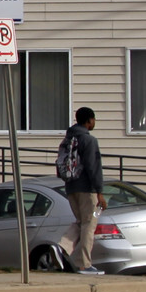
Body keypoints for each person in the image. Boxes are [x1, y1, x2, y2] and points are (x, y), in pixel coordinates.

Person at [60, 107, 107, 276]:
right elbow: (93, 167)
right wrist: (99, 192)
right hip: (88, 190)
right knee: (89, 224)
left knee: (81, 221)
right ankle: (84, 264)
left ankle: (62, 247)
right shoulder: (89, 140)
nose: (94, 123)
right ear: (89, 121)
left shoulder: (68, 139)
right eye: (93, 120)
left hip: (71, 187)